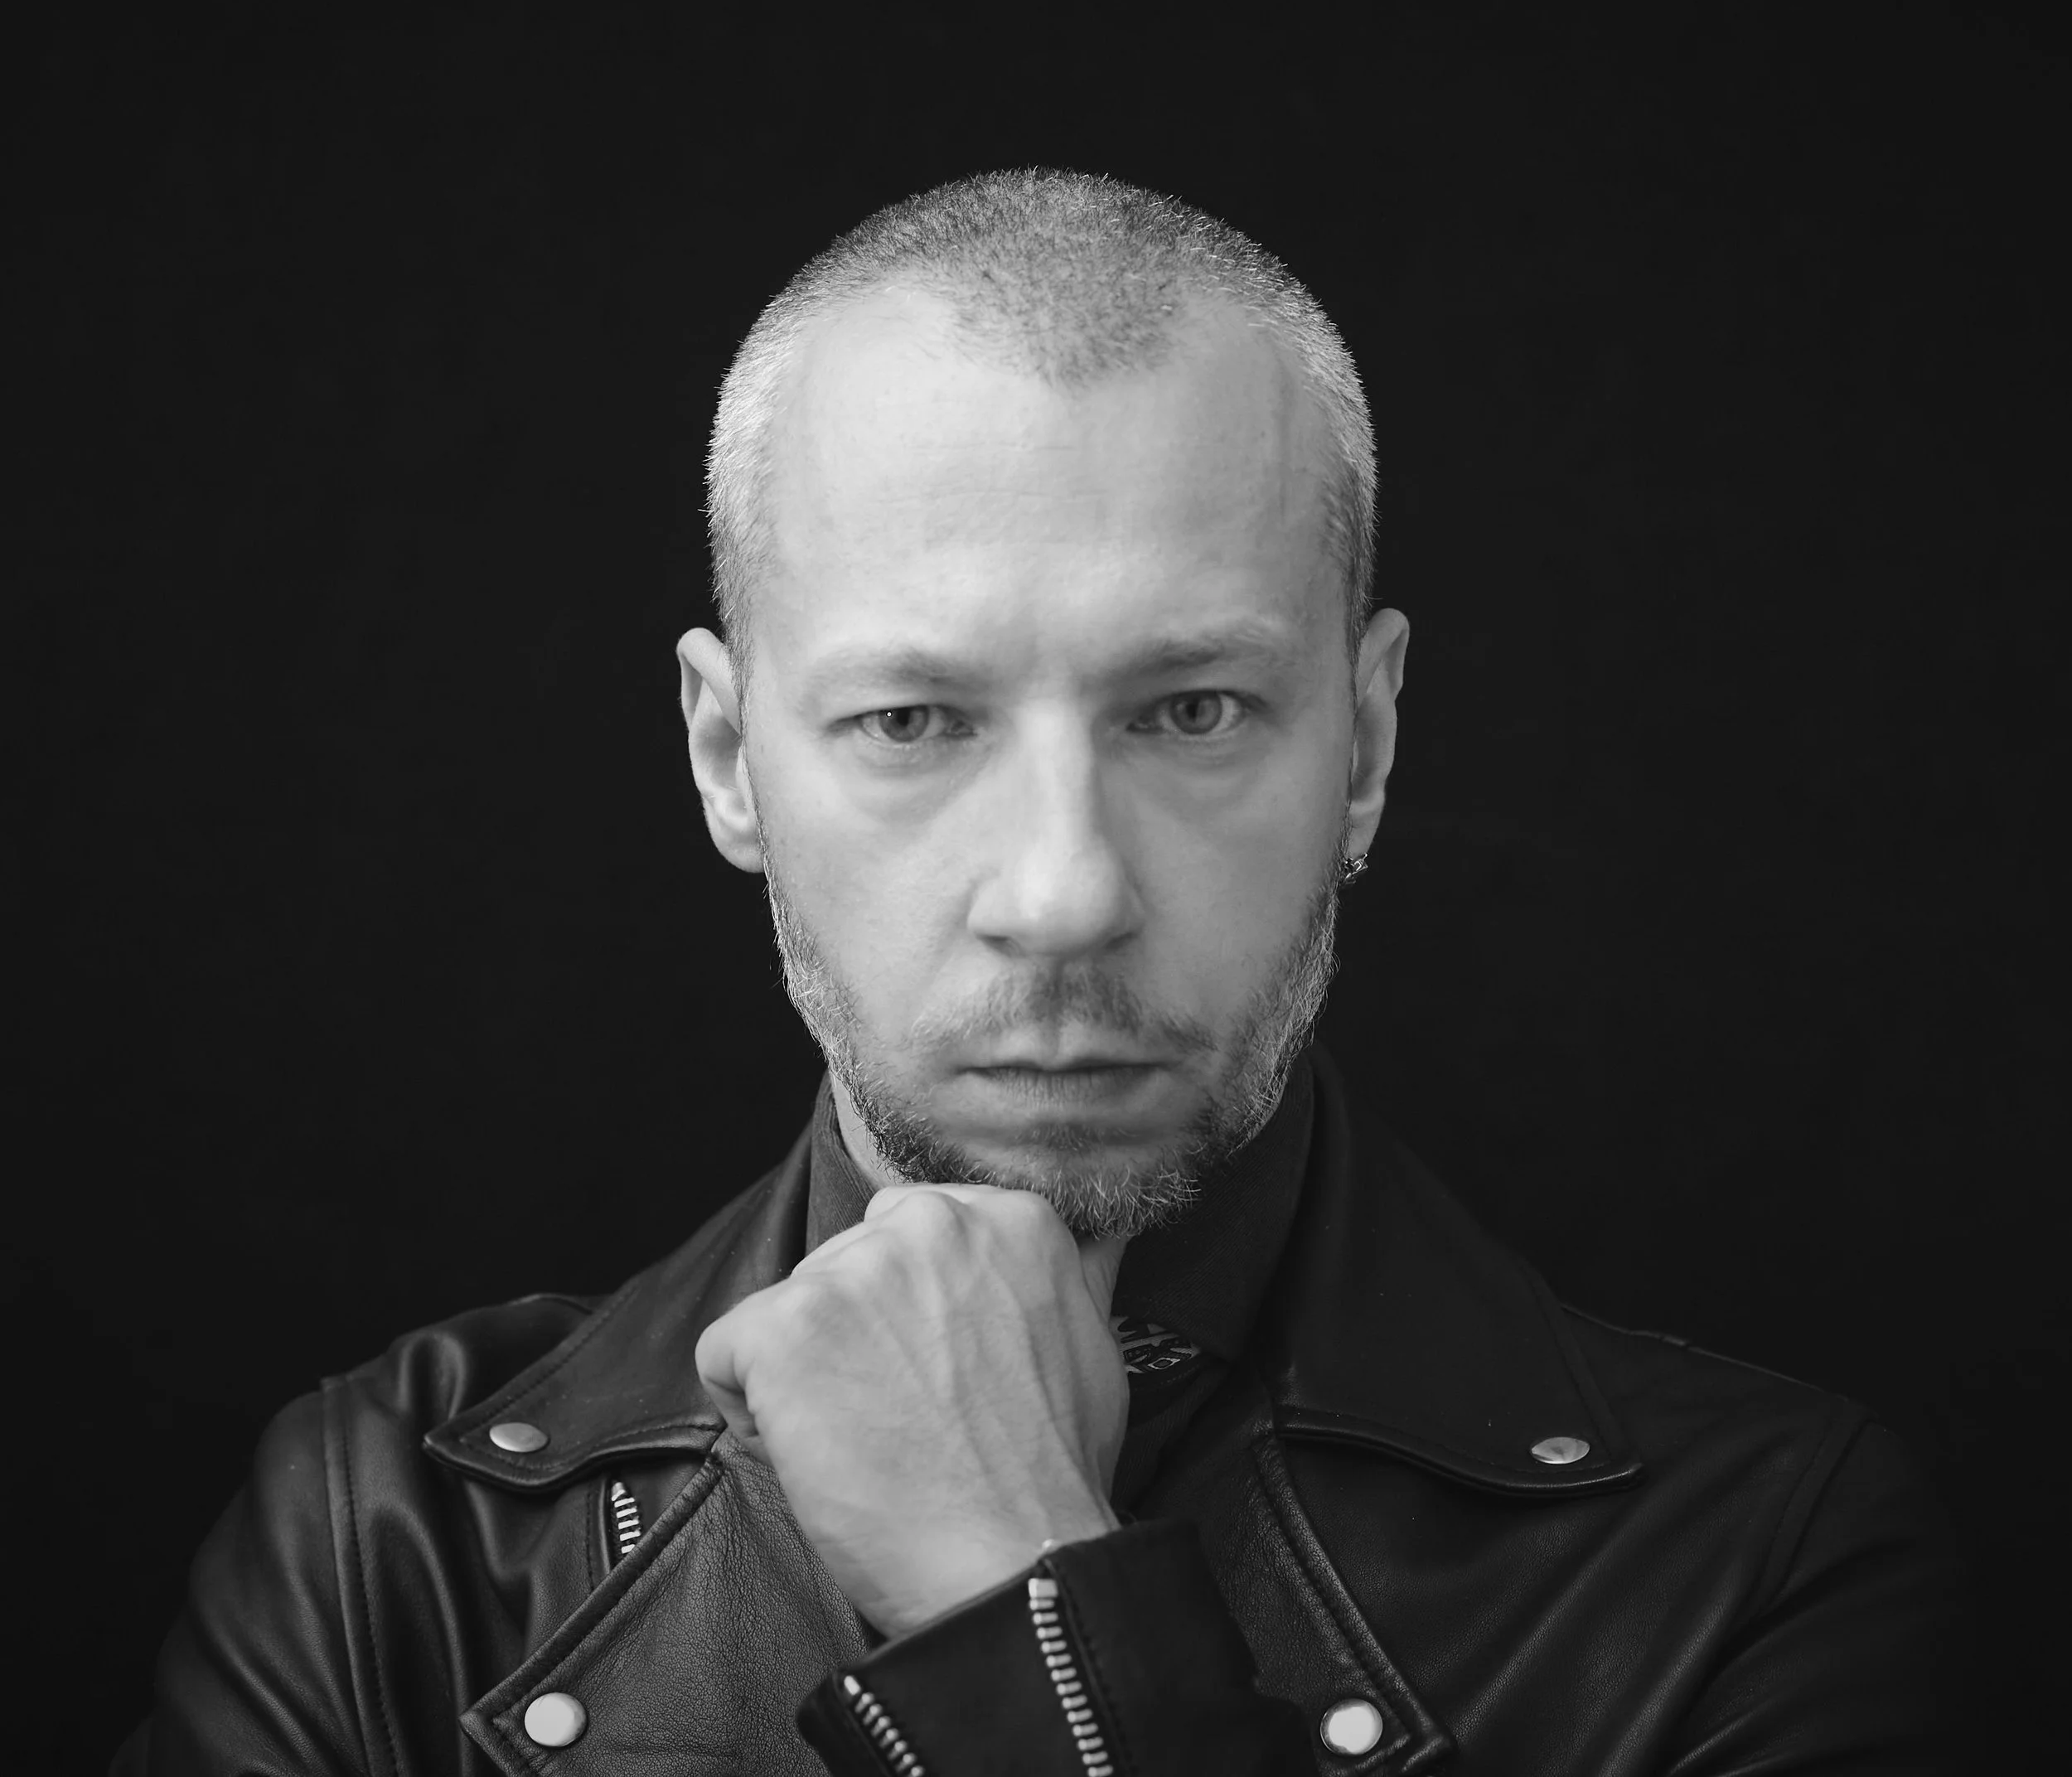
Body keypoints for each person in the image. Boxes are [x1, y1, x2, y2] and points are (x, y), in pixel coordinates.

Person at [118, 170, 1960, 1776]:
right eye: (913, 717)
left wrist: (1023, 1605)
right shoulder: (387, 1536)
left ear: (1370, 742)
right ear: (726, 756)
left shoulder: (1759, 1564)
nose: (1064, 891)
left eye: (1193, 709)